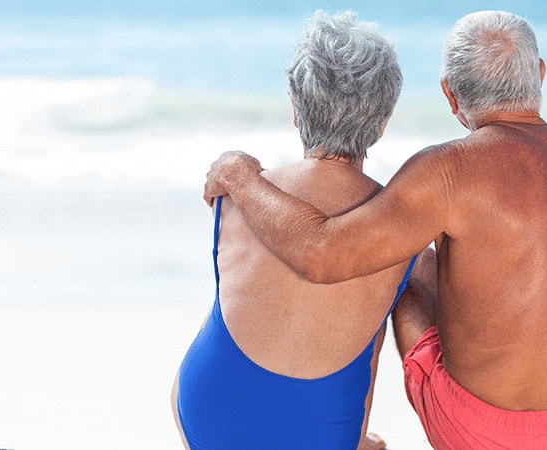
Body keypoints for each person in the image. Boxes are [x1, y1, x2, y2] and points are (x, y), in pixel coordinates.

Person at [204, 10, 547, 449]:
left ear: (450, 94)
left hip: (484, 434)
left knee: (406, 259)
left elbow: (324, 256)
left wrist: (239, 174)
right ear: (539, 74)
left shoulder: (449, 169)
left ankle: (357, 428)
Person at [172, 11, 425, 449]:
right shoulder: (397, 223)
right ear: (382, 124)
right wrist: (355, 438)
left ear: (295, 109)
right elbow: (369, 356)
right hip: (314, 429)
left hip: (204, 413)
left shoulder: (237, 192)